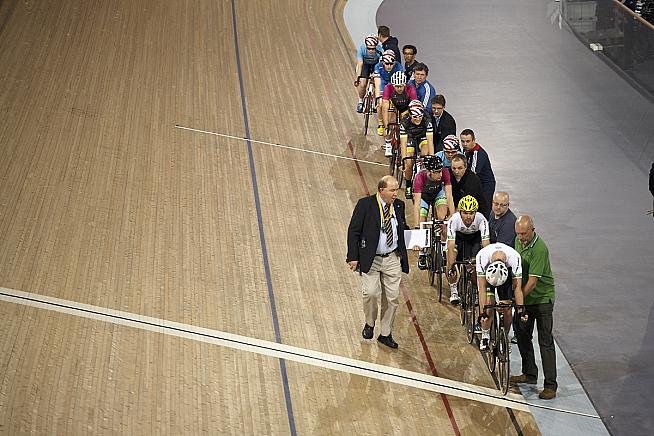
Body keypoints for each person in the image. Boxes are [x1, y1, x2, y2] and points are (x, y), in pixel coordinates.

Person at [346, 175, 410, 349]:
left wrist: (415, 241)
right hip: (371, 258)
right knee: (371, 293)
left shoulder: (399, 205)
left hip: (392, 257)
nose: (396, 193)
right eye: (392, 190)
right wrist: (353, 257)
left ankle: (385, 333)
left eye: (397, 189)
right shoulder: (365, 205)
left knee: (392, 298)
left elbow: (402, 229)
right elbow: (354, 231)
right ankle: (369, 323)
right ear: (381, 190)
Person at [511, 215, 558, 400]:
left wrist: (518, 298)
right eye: (518, 233)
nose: (521, 237)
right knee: (522, 334)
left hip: (542, 300)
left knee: (545, 342)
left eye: (524, 233)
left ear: (533, 230)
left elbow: (532, 282)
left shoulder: (540, 248)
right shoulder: (517, 240)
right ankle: (529, 374)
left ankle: (550, 386)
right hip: (526, 300)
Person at [475, 243, 526, 351]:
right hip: (488, 277)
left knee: (507, 308)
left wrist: (521, 309)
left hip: (506, 278)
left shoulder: (514, 258)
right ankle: (485, 335)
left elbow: (518, 288)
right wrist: (482, 312)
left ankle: (505, 336)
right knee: (488, 304)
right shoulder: (482, 257)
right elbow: (482, 290)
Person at [412, 155, 455, 269]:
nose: (440, 175)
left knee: (442, 218)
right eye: (436, 172)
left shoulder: (445, 172)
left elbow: (449, 196)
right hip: (424, 197)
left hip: (438, 194)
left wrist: (453, 216)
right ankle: (422, 254)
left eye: (440, 171)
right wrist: (417, 225)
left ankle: (443, 249)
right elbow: (417, 204)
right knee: (422, 221)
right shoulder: (420, 177)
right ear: (429, 171)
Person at [445, 195, 490, 304]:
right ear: (460, 212)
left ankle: (476, 289)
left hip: (474, 240)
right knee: (451, 262)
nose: (468, 216)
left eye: (471, 213)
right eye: (465, 213)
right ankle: (453, 289)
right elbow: (451, 245)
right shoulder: (454, 220)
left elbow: (486, 244)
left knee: (476, 263)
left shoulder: (481, 219)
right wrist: (452, 265)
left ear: (475, 212)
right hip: (458, 240)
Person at [400, 100, 434, 199]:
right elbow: (403, 144)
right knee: (409, 161)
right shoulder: (405, 122)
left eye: (420, 116)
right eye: (415, 117)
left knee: (425, 152)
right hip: (410, 138)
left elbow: (430, 142)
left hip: (422, 137)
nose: (418, 119)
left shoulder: (427, 121)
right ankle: (408, 184)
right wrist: (404, 160)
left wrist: (430, 159)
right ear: (410, 115)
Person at [460, 129, 495, 218]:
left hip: (486, 185)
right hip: (476, 182)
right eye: (462, 141)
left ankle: (486, 227)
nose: (465, 144)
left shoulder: (478, 154)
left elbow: (472, 173)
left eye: (468, 141)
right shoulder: (465, 150)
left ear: (474, 140)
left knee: (485, 209)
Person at [381, 71, 417, 157]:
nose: (399, 89)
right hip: (394, 107)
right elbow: (385, 108)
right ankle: (388, 144)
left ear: (405, 84)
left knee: (406, 121)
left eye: (401, 86)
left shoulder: (410, 88)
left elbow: (414, 105)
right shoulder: (388, 87)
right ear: (393, 85)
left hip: (406, 108)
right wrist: (386, 126)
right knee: (391, 119)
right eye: (396, 86)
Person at [374, 50, 404, 136]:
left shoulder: (398, 66)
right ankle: (381, 124)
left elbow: (400, 84)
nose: (389, 66)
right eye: (387, 64)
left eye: (391, 64)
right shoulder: (378, 66)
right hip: (382, 82)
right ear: (383, 62)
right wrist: (378, 97)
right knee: (380, 104)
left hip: (393, 83)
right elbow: (377, 83)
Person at [354, 34, 383, 113]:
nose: (370, 50)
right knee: (363, 84)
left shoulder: (380, 50)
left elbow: (381, 65)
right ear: (366, 46)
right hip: (365, 65)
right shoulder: (361, 49)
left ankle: (374, 101)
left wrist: (376, 75)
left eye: (373, 49)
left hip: (376, 65)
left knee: (376, 83)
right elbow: (360, 64)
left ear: (376, 47)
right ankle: (360, 101)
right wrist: (357, 78)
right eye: (369, 48)